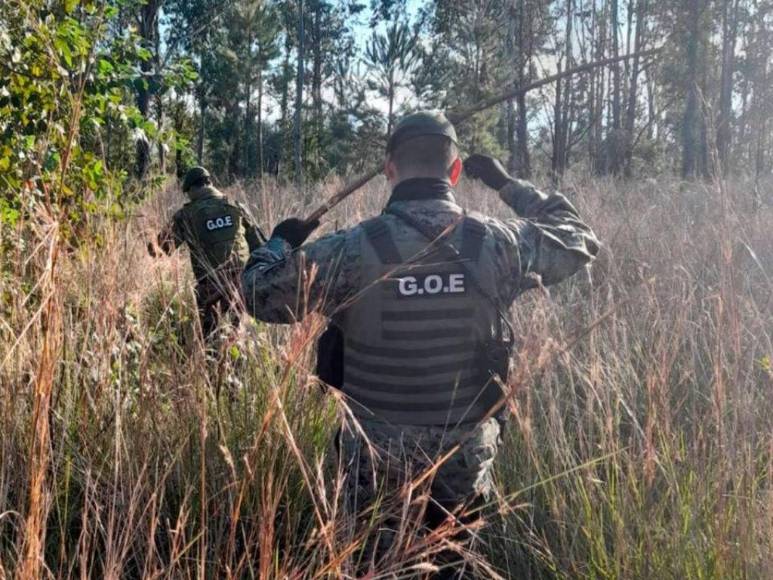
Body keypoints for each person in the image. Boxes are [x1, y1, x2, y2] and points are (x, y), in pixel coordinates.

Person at [241, 111, 599, 576]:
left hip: (375, 456)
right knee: (451, 564)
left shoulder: (350, 249)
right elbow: (577, 239)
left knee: (377, 565)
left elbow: (255, 294)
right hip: (463, 453)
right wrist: (506, 184)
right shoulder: (497, 242)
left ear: (389, 170)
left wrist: (278, 243)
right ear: (454, 172)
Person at [150, 166, 265, 338]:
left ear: (191, 190)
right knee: (238, 336)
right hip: (243, 283)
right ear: (209, 183)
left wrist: (149, 236)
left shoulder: (185, 215)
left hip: (210, 289)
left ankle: (211, 357)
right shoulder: (236, 206)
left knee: (210, 338)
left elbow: (160, 250)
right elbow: (260, 247)